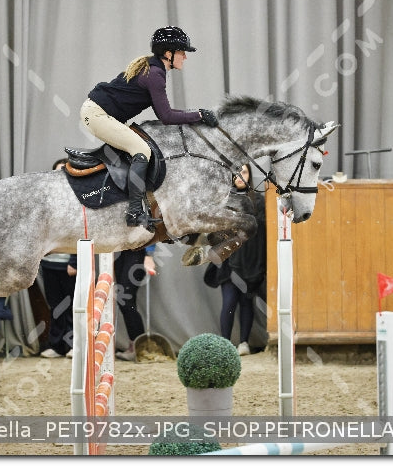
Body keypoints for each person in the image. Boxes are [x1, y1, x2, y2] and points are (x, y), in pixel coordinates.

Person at [80, 26, 219, 230]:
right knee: (142, 150)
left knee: (137, 148)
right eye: (182, 52)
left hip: (98, 112)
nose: (185, 57)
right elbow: (166, 116)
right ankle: (134, 212)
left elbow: (165, 113)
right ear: (169, 53)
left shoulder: (154, 69)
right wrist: (198, 115)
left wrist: (196, 114)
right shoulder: (155, 74)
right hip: (97, 115)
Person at [203, 164, 266, 356]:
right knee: (229, 302)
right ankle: (225, 344)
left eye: (244, 172)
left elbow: (262, 232)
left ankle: (244, 343)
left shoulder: (259, 201)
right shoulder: (224, 199)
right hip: (228, 261)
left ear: (250, 175)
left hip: (251, 261)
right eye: (236, 172)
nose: (239, 176)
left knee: (247, 302)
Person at [39, 158, 78, 358]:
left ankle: (72, 345)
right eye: (57, 172)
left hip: (69, 266)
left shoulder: (79, 199)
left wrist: (74, 261)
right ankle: (56, 346)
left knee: (72, 306)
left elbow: (81, 232)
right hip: (49, 264)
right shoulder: (48, 200)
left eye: (64, 171)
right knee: (55, 307)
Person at [114, 246, 157, 361]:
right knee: (124, 299)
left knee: (125, 299)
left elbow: (149, 233)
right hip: (121, 249)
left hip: (137, 249)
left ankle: (138, 346)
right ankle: (136, 346)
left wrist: (148, 255)